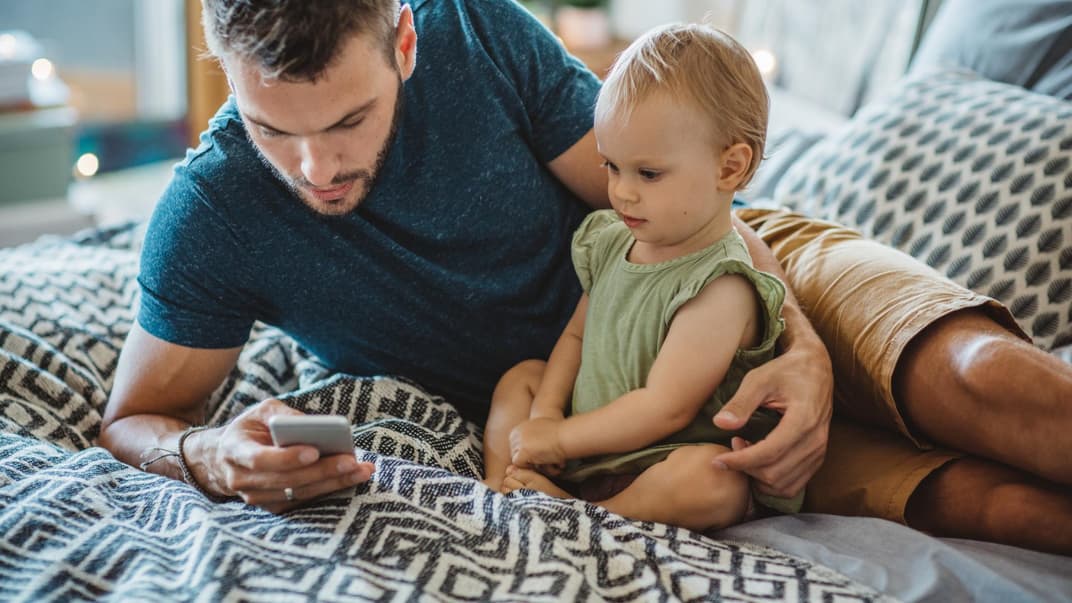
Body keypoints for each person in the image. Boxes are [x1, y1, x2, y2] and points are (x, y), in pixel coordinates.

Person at [96, 0, 1071, 554]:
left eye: (348, 121)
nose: (316, 169)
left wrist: (804, 345)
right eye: (273, 128)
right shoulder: (213, 212)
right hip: (607, 411)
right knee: (987, 508)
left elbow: (658, 198)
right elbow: (135, 417)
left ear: (404, 42)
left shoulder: (477, 34)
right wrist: (206, 453)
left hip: (726, 256)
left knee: (978, 381)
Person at [481, 24, 800, 532]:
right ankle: (504, 488)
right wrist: (545, 415)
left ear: (730, 169)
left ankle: (597, 517)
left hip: (656, 460)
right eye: (612, 166)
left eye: (648, 174)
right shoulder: (613, 241)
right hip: (583, 445)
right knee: (521, 378)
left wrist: (561, 438)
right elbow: (577, 336)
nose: (622, 192)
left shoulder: (721, 286)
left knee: (715, 480)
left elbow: (665, 409)